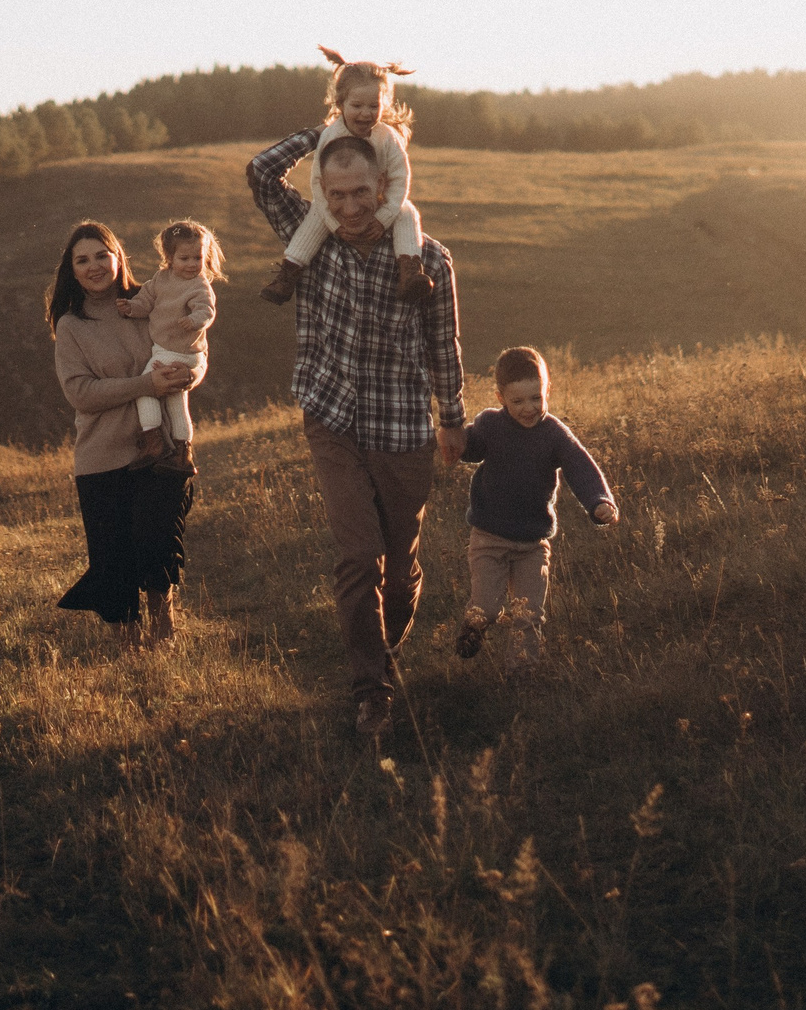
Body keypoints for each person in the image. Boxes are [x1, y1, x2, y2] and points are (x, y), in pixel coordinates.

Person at [247, 122, 465, 735]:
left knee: (399, 567)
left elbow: (441, 345)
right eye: (334, 193)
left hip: (401, 427)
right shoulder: (308, 237)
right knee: (357, 556)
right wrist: (329, 128)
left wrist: (452, 418)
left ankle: (386, 642)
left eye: (359, 192)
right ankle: (371, 689)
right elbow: (262, 174)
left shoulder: (427, 258)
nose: (347, 207)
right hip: (332, 417)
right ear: (320, 188)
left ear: (385, 185)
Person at [48, 220, 196, 651]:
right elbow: (80, 393)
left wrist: (192, 372)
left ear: (118, 258)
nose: (94, 266)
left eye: (101, 255)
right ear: (71, 271)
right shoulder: (71, 326)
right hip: (101, 457)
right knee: (112, 562)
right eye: (83, 260)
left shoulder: (148, 302)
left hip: (164, 451)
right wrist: (145, 386)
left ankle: (164, 630)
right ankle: (129, 645)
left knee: (156, 541)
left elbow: (192, 347)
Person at [456, 346, 618, 670]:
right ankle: (475, 627)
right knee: (486, 608)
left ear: (548, 391)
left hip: (533, 544)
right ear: (500, 397)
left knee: (528, 614)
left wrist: (599, 501)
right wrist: (452, 439)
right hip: (489, 538)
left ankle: (522, 674)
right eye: (518, 401)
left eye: (536, 398)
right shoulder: (490, 425)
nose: (529, 408)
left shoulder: (554, 434)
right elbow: (469, 448)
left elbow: (579, 467)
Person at [261, 46, 432, 306]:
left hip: (382, 201)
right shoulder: (331, 136)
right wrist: (334, 224)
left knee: (408, 213)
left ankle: (409, 271)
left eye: (374, 106)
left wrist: (385, 217)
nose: (366, 113)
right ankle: (289, 273)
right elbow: (319, 185)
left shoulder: (388, 137)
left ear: (383, 104)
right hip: (335, 204)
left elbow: (400, 179)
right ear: (340, 104)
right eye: (357, 105)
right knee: (314, 219)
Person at [117, 219, 222, 462]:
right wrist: (131, 308)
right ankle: (182, 451)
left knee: (146, 390)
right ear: (169, 257)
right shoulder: (161, 280)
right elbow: (145, 302)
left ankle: (153, 442)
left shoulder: (200, 285)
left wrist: (196, 320)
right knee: (176, 401)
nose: (192, 264)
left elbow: (207, 310)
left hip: (178, 350)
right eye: (184, 258)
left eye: (198, 257)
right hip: (169, 349)